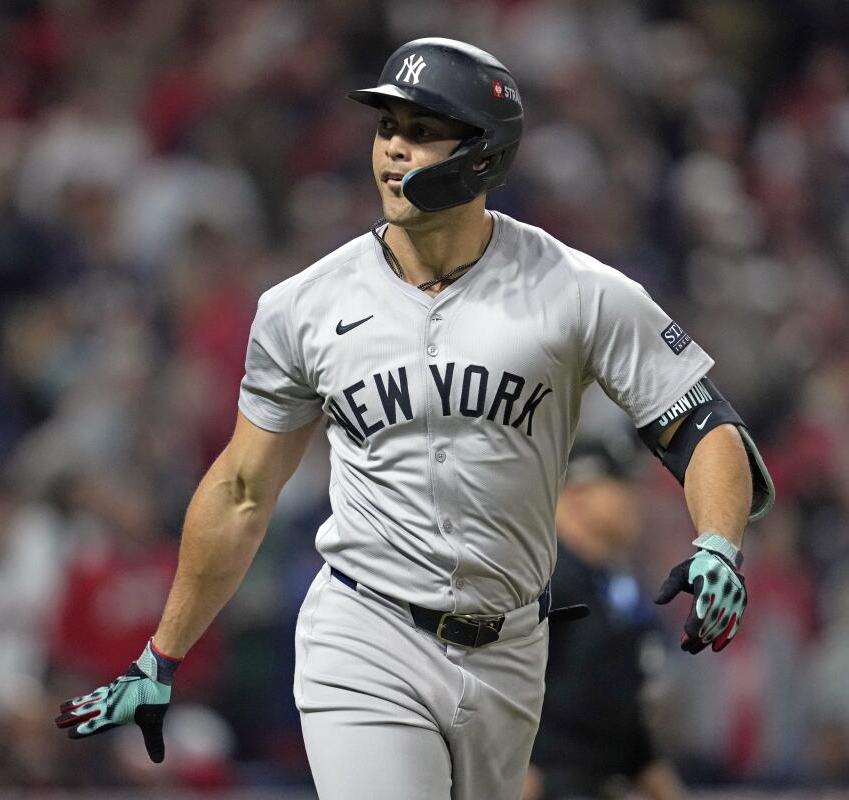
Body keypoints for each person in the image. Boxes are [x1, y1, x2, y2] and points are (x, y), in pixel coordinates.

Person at [55, 38, 775, 799]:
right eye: (386, 127)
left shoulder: (577, 291)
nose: (394, 147)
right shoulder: (304, 306)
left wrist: (720, 544)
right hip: (365, 630)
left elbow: (704, 428)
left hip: (512, 649)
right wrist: (161, 655)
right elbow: (240, 489)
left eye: (423, 128)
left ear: (484, 154)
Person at [522, 428, 685, 800]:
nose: (634, 498)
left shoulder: (612, 587)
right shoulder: (542, 582)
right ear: (576, 495)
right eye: (619, 483)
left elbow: (620, 714)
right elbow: (497, 687)